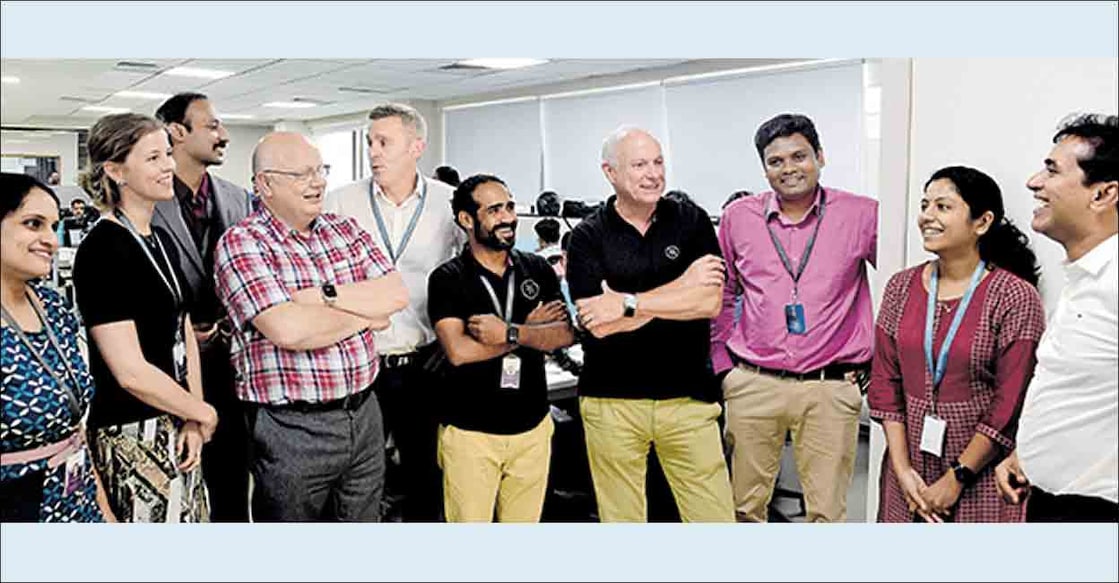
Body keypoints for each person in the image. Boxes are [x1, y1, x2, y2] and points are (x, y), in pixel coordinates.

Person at [215, 131, 408, 522]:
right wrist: (365, 316)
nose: (318, 182)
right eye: (302, 174)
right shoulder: (242, 243)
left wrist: (322, 295)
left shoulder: (345, 230)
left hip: (365, 414)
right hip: (292, 429)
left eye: (320, 170)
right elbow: (288, 330)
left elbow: (394, 294)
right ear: (265, 184)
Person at [711, 113, 878, 522]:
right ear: (764, 167)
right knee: (744, 509)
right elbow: (723, 290)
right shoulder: (738, 217)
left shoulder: (862, 214)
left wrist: (878, 360)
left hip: (829, 386)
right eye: (776, 161)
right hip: (753, 382)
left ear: (820, 156)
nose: (789, 169)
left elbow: (902, 281)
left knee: (826, 513)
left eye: (799, 156)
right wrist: (724, 367)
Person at [566, 126, 734, 522]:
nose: (653, 173)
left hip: (687, 398)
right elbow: (598, 323)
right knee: (622, 521)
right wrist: (683, 288)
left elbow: (708, 302)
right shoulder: (588, 236)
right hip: (612, 401)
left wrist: (628, 303)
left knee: (714, 518)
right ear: (610, 172)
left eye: (658, 162)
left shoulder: (690, 220)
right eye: (639, 164)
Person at [869, 166, 1045, 522]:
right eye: (925, 204)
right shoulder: (900, 287)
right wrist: (902, 472)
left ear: (981, 222)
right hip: (909, 461)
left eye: (943, 207)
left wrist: (957, 478)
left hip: (981, 470)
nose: (927, 216)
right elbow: (886, 383)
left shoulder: (1014, 296)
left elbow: (1009, 402)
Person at [73, 113, 217, 522]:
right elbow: (130, 371)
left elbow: (182, 327)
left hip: (176, 418)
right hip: (132, 430)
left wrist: (193, 410)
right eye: (154, 157)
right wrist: (202, 412)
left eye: (168, 154)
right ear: (116, 171)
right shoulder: (102, 250)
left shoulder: (161, 238)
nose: (170, 165)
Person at [324, 103, 465, 521]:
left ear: (416, 146)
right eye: (370, 142)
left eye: (384, 142)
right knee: (357, 479)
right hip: (359, 363)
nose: (373, 152)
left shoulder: (447, 204)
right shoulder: (341, 202)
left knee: (425, 472)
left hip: (425, 363)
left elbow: (467, 276)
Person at [427, 174, 574, 522]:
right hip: (471, 435)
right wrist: (533, 329)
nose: (508, 217)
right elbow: (458, 352)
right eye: (494, 210)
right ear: (466, 219)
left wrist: (509, 333)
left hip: (532, 429)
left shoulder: (536, 268)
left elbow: (565, 334)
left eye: (509, 206)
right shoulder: (448, 278)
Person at [996, 113, 1118, 522]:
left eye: (1052, 170)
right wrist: (1027, 451)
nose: (1034, 182)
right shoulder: (1083, 276)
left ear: (1102, 195)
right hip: (1052, 498)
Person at [152, 92, 253, 522]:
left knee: (232, 481)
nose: (223, 135)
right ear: (177, 132)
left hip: (233, 363)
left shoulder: (237, 198)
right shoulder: (147, 199)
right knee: (179, 487)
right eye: (211, 126)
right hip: (167, 368)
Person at [1, 173, 113, 522]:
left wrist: (104, 512)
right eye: (33, 224)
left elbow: (70, 426)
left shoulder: (52, 307)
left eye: (53, 225)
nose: (49, 239)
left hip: (75, 500)